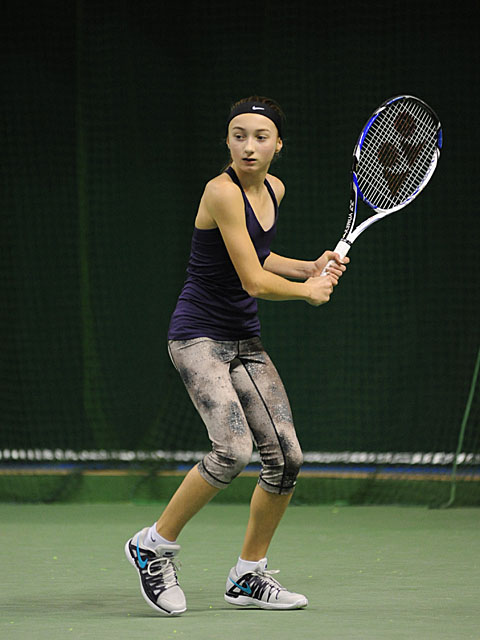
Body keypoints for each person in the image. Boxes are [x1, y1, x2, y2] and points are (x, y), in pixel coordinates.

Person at [125, 96, 348, 616]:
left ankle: (248, 575)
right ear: (227, 141)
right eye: (238, 135)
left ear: (278, 145)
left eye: (261, 137)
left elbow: (260, 255)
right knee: (232, 450)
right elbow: (252, 280)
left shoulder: (274, 189)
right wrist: (308, 291)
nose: (249, 146)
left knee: (287, 458)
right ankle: (153, 545)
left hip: (244, 339)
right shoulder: (220, 192)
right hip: (197, 337)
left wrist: (307, 266)